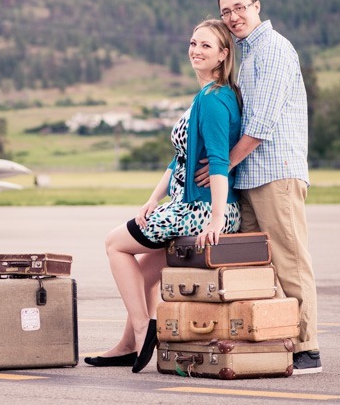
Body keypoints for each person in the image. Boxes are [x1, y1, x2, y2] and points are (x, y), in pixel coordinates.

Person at [85, 19, 242, 373]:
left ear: (223, 54)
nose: (195, 50)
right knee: (142, 273)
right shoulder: (204, 97)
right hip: (189, 203)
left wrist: (217, 217)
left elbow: (218, 161)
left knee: (114, 244)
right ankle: (127, 346)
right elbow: (180, 158)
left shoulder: (215, 99)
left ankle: (144, 328)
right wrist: (153, 198)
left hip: (200, 207)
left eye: (206, 45)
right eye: (192, 43)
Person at [196, 0, 321, 374]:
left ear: (257, 6)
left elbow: (260, 125)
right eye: (226, 12)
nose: (233, 17)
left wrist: (224, 165)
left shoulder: (273, 50)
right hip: (250, 177)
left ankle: (307, 348)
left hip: (275, 174)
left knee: (289, 261)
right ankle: (276, 338)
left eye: (240, 8)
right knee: (256, 267)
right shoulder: (244, 54)